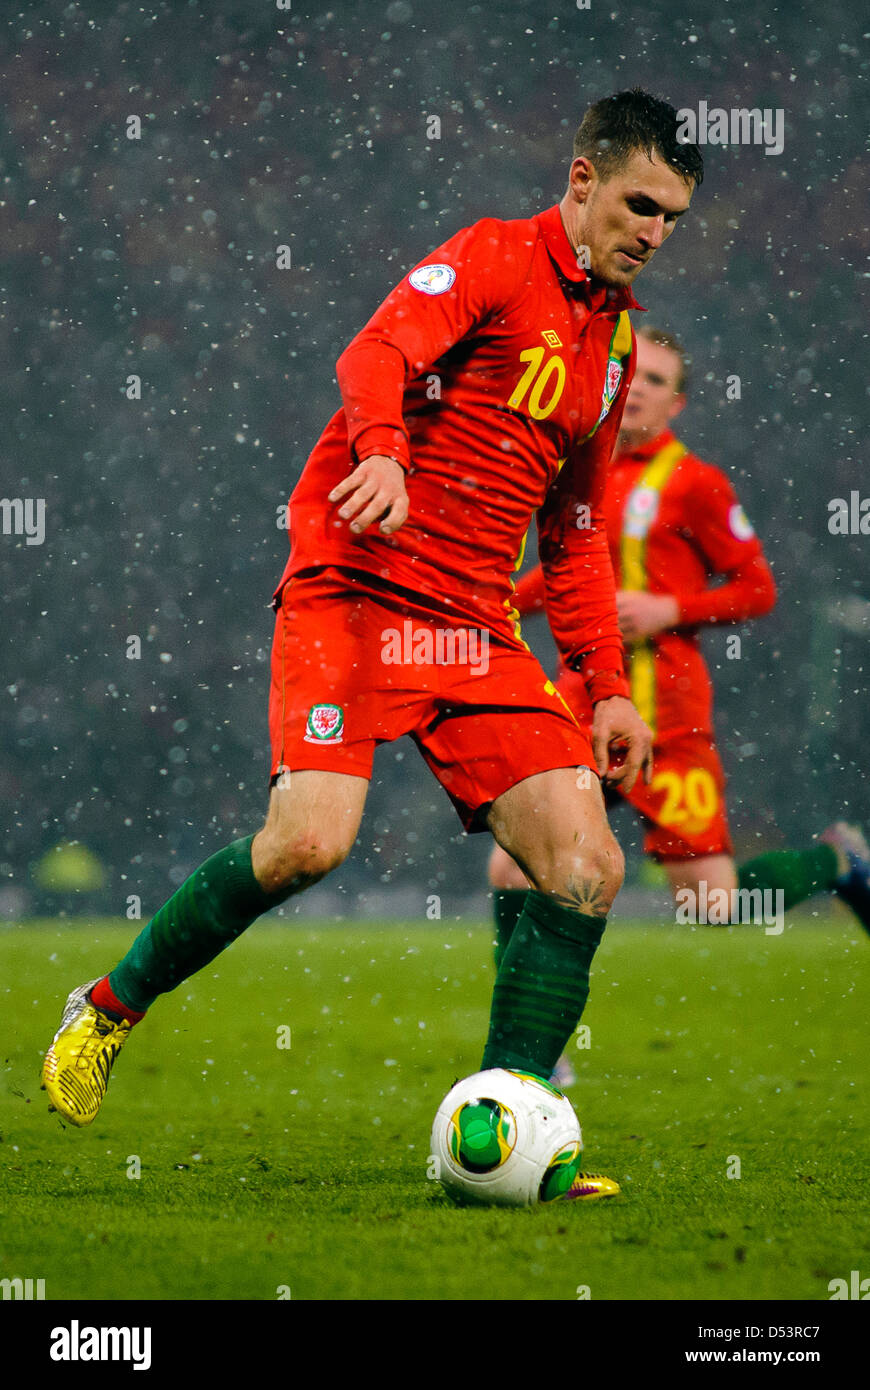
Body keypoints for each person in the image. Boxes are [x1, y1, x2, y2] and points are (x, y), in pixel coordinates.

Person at [43, 90, 704, 1201]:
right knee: (308, 844)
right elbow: (373, 354)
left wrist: (605, 689)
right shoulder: (494, 258)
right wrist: (388, 451)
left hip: (472, 625)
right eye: (640, 203)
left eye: (675, 216)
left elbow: (579, 535)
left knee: (587, 866)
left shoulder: (612, 346)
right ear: (583, 181)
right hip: (356, 590)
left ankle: (510, 1121)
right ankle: (106, 1008)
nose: (654, 231)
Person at [489, 326, 870, 1029]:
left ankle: (836, 863)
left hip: (670, 717)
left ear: (679, 404)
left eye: (657, 381)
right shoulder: (580, 469)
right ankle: (530, 1048)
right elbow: (564, 572)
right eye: (629, 374)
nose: (637, 389)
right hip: (583, 704)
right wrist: (493, 603)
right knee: (516, 867)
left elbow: (757, 588)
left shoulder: (696, 483)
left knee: (711, 904)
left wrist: (673, 607)